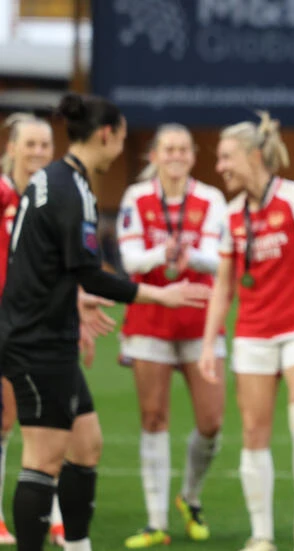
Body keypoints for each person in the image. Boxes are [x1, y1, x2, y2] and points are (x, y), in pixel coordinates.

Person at [0, 94, 210, 551]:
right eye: (122, 135)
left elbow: (50, 265)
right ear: (106, 135)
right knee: (43, 459)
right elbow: (88, 270)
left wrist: (77, 298)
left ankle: (77, 545)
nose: (124, 146)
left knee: (87, 445)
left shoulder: (55, 180)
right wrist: (160, 294)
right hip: (36, 341)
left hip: (49, 333)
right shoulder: (71, 190)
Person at [199, 111, 294, 551]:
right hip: (253, 333)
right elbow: (223, 284)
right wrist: (208, 342)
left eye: (225, 157)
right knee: (254, 433)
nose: (220, 167)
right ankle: (261, 534)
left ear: (254, 155)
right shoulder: (231, 214)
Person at [116, 124, 227, 548]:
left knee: (211, 422)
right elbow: (129, 259)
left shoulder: (210, 199)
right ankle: (156, 520)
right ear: (156, 155)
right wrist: (163, 253)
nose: (176, 155)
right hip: (150, 317)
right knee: (153, 418)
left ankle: (190, 497)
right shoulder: (136, 198)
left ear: (193, 156)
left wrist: (190, 256)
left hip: (200, 316)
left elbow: (221, 260)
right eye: (169, 149)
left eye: (183, 148)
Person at [0, 113, 69, 547]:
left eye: (45, 145)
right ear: (10, 148)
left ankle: (55, 514)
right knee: (6, 418)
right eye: (30, 144)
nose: (39, 152)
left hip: (43, 324)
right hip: (9, 322)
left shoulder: (53, 199)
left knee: (49, 418)